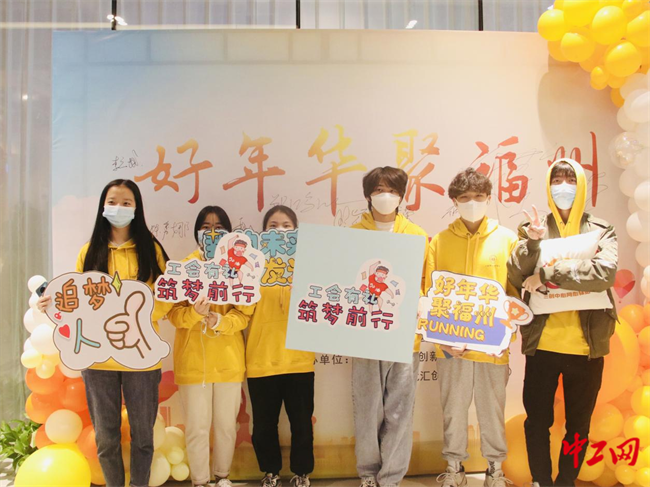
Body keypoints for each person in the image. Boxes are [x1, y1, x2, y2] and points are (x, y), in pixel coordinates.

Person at [37, 179, 172, 487]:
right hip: (98, 359)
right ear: (102, 206)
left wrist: (138, 320)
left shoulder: (151, 250)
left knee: (143, 436)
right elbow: (74, 300)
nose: (119, 208)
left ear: (137, 208)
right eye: (113, 202)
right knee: (106, 438)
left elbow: (167, 297)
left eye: (126, 203)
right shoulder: (89, 252)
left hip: (141, 357)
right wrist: (52, 304)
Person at [508, 159, 618, 487]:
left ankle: (566, 481)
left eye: (570, 179)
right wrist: (533, 243)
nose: (563, 186)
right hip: (542, 345)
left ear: (581, 184)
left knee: (578, 427)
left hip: (586, 348)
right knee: (537, 422)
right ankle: (541, 480)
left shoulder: (601, 229)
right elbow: (516, 274)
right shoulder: (532, 228)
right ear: (548, 186)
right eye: (557, 180)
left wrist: (548, 272)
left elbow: (604, 273)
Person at [424, 168, 518, 487]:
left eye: (478, 196)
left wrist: (506, 334)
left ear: (489, 198)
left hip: (493, 346)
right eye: (464, 198)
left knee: (493, 409)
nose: (472, 203)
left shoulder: (507, 240)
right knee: (453, 408)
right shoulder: (440, 241)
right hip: (452, 347)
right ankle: (454, 468)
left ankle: (495, 469)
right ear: (455, 201)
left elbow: (515, 294)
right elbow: (430, 293)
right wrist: (441, 339)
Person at [350, 166, 428, 487]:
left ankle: (391, 477)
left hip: (405, 337)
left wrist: (422, 307)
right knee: (367, 409)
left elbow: (425, 283)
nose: (386, 196)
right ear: (368, 194)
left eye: (393, 190)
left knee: (399, 410)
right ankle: (369, 474)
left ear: (401, 196)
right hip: (364, 336)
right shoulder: (353, 234)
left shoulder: (417, 235)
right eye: (379, 189)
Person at [166, 206, 254, 487]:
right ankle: (200, 481)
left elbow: (244, 314)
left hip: (229, 362)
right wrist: (195, 314)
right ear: (197, 232)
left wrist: (220, 321)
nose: (212, 232)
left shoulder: (240, 269)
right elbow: (173, 314)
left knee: (227, 427)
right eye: (206, 227)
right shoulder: (185, 268)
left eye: (219, 227)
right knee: (197, 428)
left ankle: (222, 477)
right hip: (193, 364)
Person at [247, 205, 315, 487]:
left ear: (297, 230)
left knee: (302, 424)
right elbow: (242, 310)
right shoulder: (251, 265)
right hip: (261, 359)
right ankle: (270, 472)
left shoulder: (309, 264)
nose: (280, 231)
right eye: (273, 226)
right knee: (264, 425)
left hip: (299, 359)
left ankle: (302, 473)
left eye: (287, 225)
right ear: (264, 232)